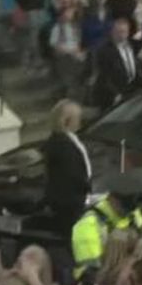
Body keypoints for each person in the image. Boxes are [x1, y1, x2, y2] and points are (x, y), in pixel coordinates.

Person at [72, 177, 142, 280]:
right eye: (124, 205)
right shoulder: (88, 224)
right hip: (98, 281)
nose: (127, 211)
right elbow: (89, 270)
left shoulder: (133, 213)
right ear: (111, 198)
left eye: (131, 206)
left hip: (131, 274)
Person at [43, 100, 92, 249]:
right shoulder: (61, 144)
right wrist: (87, 187)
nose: (80, 121)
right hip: (69, 202)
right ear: (67, 121)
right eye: (77, 117)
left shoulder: (66, 139)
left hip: (71, 200)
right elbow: (71, 175)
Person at [92, 19, 140, 109]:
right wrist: (116, 94)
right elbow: (104, 76)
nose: (121, 35)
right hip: (111, 96)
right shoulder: (104, 50)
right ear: (112, 32)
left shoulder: (131, 47)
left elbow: (134, 70)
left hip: (130, 93)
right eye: (118, 32)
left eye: (124, 32)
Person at [49, 4, 87, 102]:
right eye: (67, 13)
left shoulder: (75, 27)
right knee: (69, 64)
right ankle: (67, 94)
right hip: (63, 54)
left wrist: (79, 52)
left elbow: (77, 43)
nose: (69, 15)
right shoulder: (57, 28)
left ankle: (80, 91)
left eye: (71, 13)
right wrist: (70, 52)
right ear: (62, 14)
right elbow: (55, 45)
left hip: (75, 53)